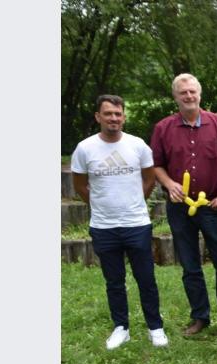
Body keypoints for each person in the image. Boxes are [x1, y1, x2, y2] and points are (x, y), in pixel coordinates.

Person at [72, 94, 168, 349]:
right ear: (98, 117)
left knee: (146, 278)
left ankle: (155, 327)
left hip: (136, 223)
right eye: (108, 114)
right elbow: (80, 185)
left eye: (118, 114)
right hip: (104, 226)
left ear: (124, 116)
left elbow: (149, 180)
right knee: (114, 280)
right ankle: (121, 327)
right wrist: (101, 204)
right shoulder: (85, 148)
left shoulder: (138, 146)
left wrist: (135, 201)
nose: (113, 118)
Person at [151, 73, 217, 335]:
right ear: (175, 97)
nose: (188, 96)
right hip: (180, 207)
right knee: (190, 265)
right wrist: (169, 184)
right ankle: (200, 317)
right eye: (183, 93)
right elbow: (156, 165)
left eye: (192, 92)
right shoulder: (163, 128)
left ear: (199, 94)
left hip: (213, 206)